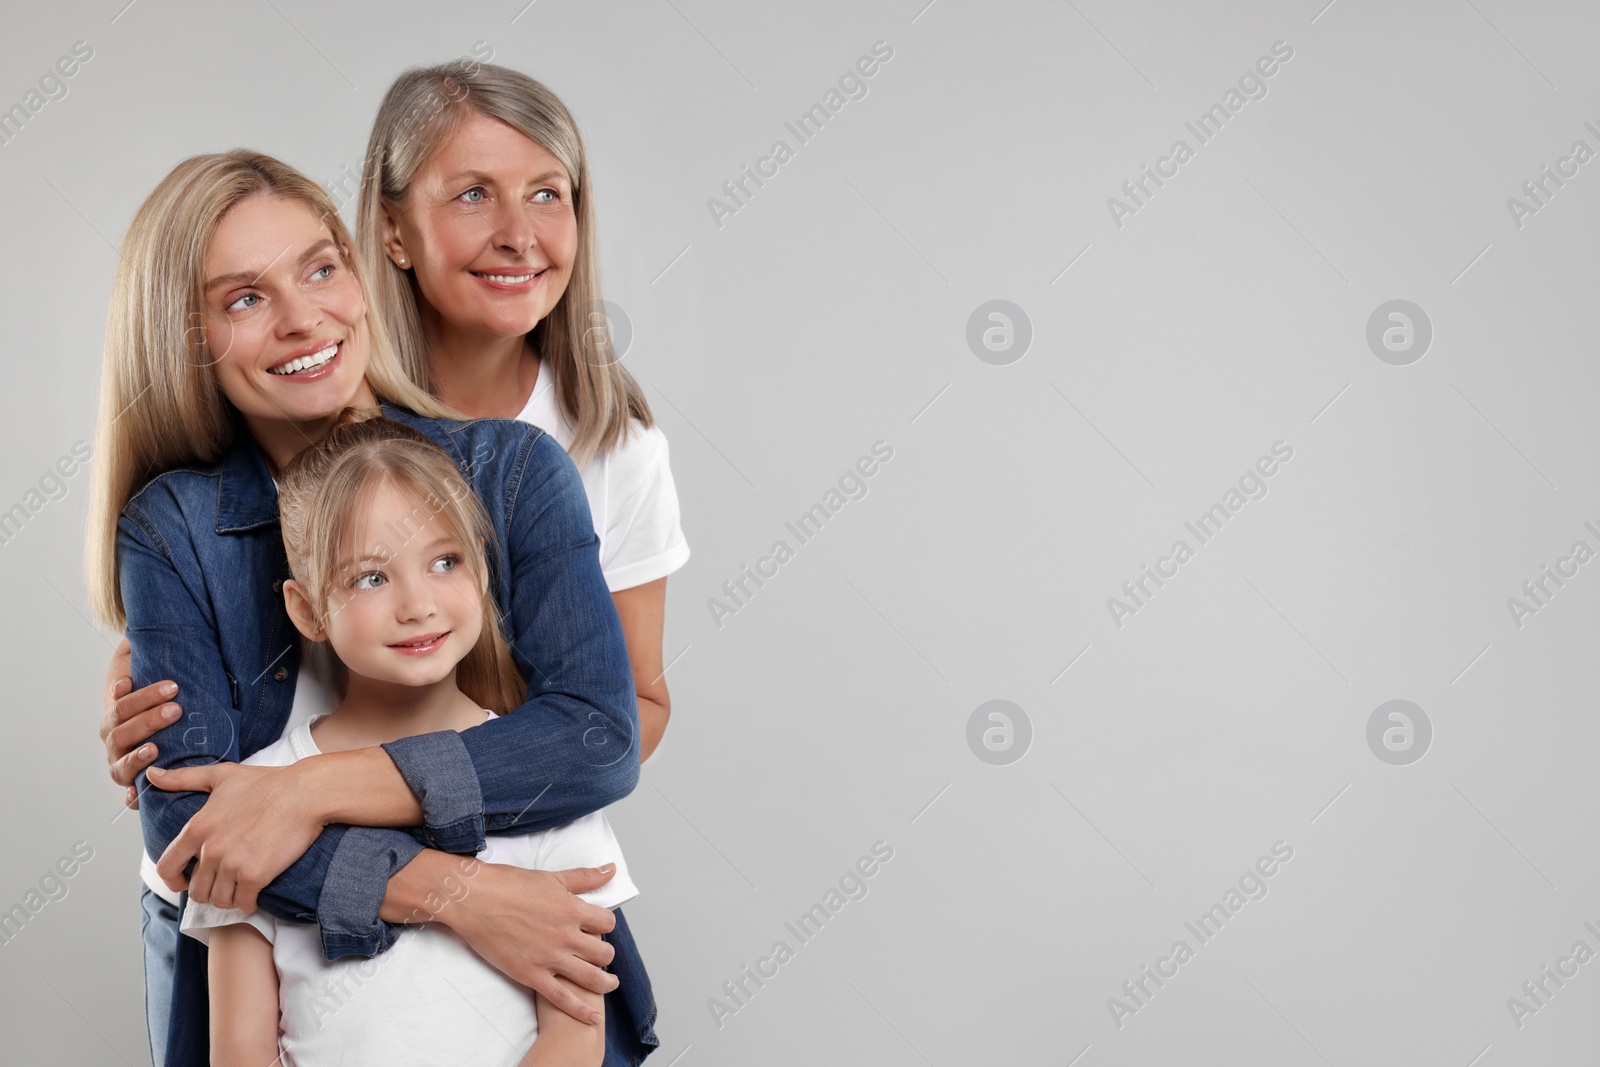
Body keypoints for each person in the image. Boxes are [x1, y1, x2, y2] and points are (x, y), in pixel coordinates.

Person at [100, 59, 682, 1063]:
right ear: (185, 336)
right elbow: (193, 830)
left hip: (517, 976)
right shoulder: (174, 527)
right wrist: (459, 893)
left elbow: (595, 736)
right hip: (284, 970)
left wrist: (302, 790)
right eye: (244, 298)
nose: (303, 317)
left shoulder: (507, 467)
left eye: (320, 268)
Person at [186, 414, 638, 1067]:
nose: (417, 603)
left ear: (482, 572)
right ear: (307, 608)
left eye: (445, 560)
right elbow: (239, 1048)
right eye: (372, 576)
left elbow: (576, 1031)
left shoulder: (545, 781)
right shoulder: (260, 791)